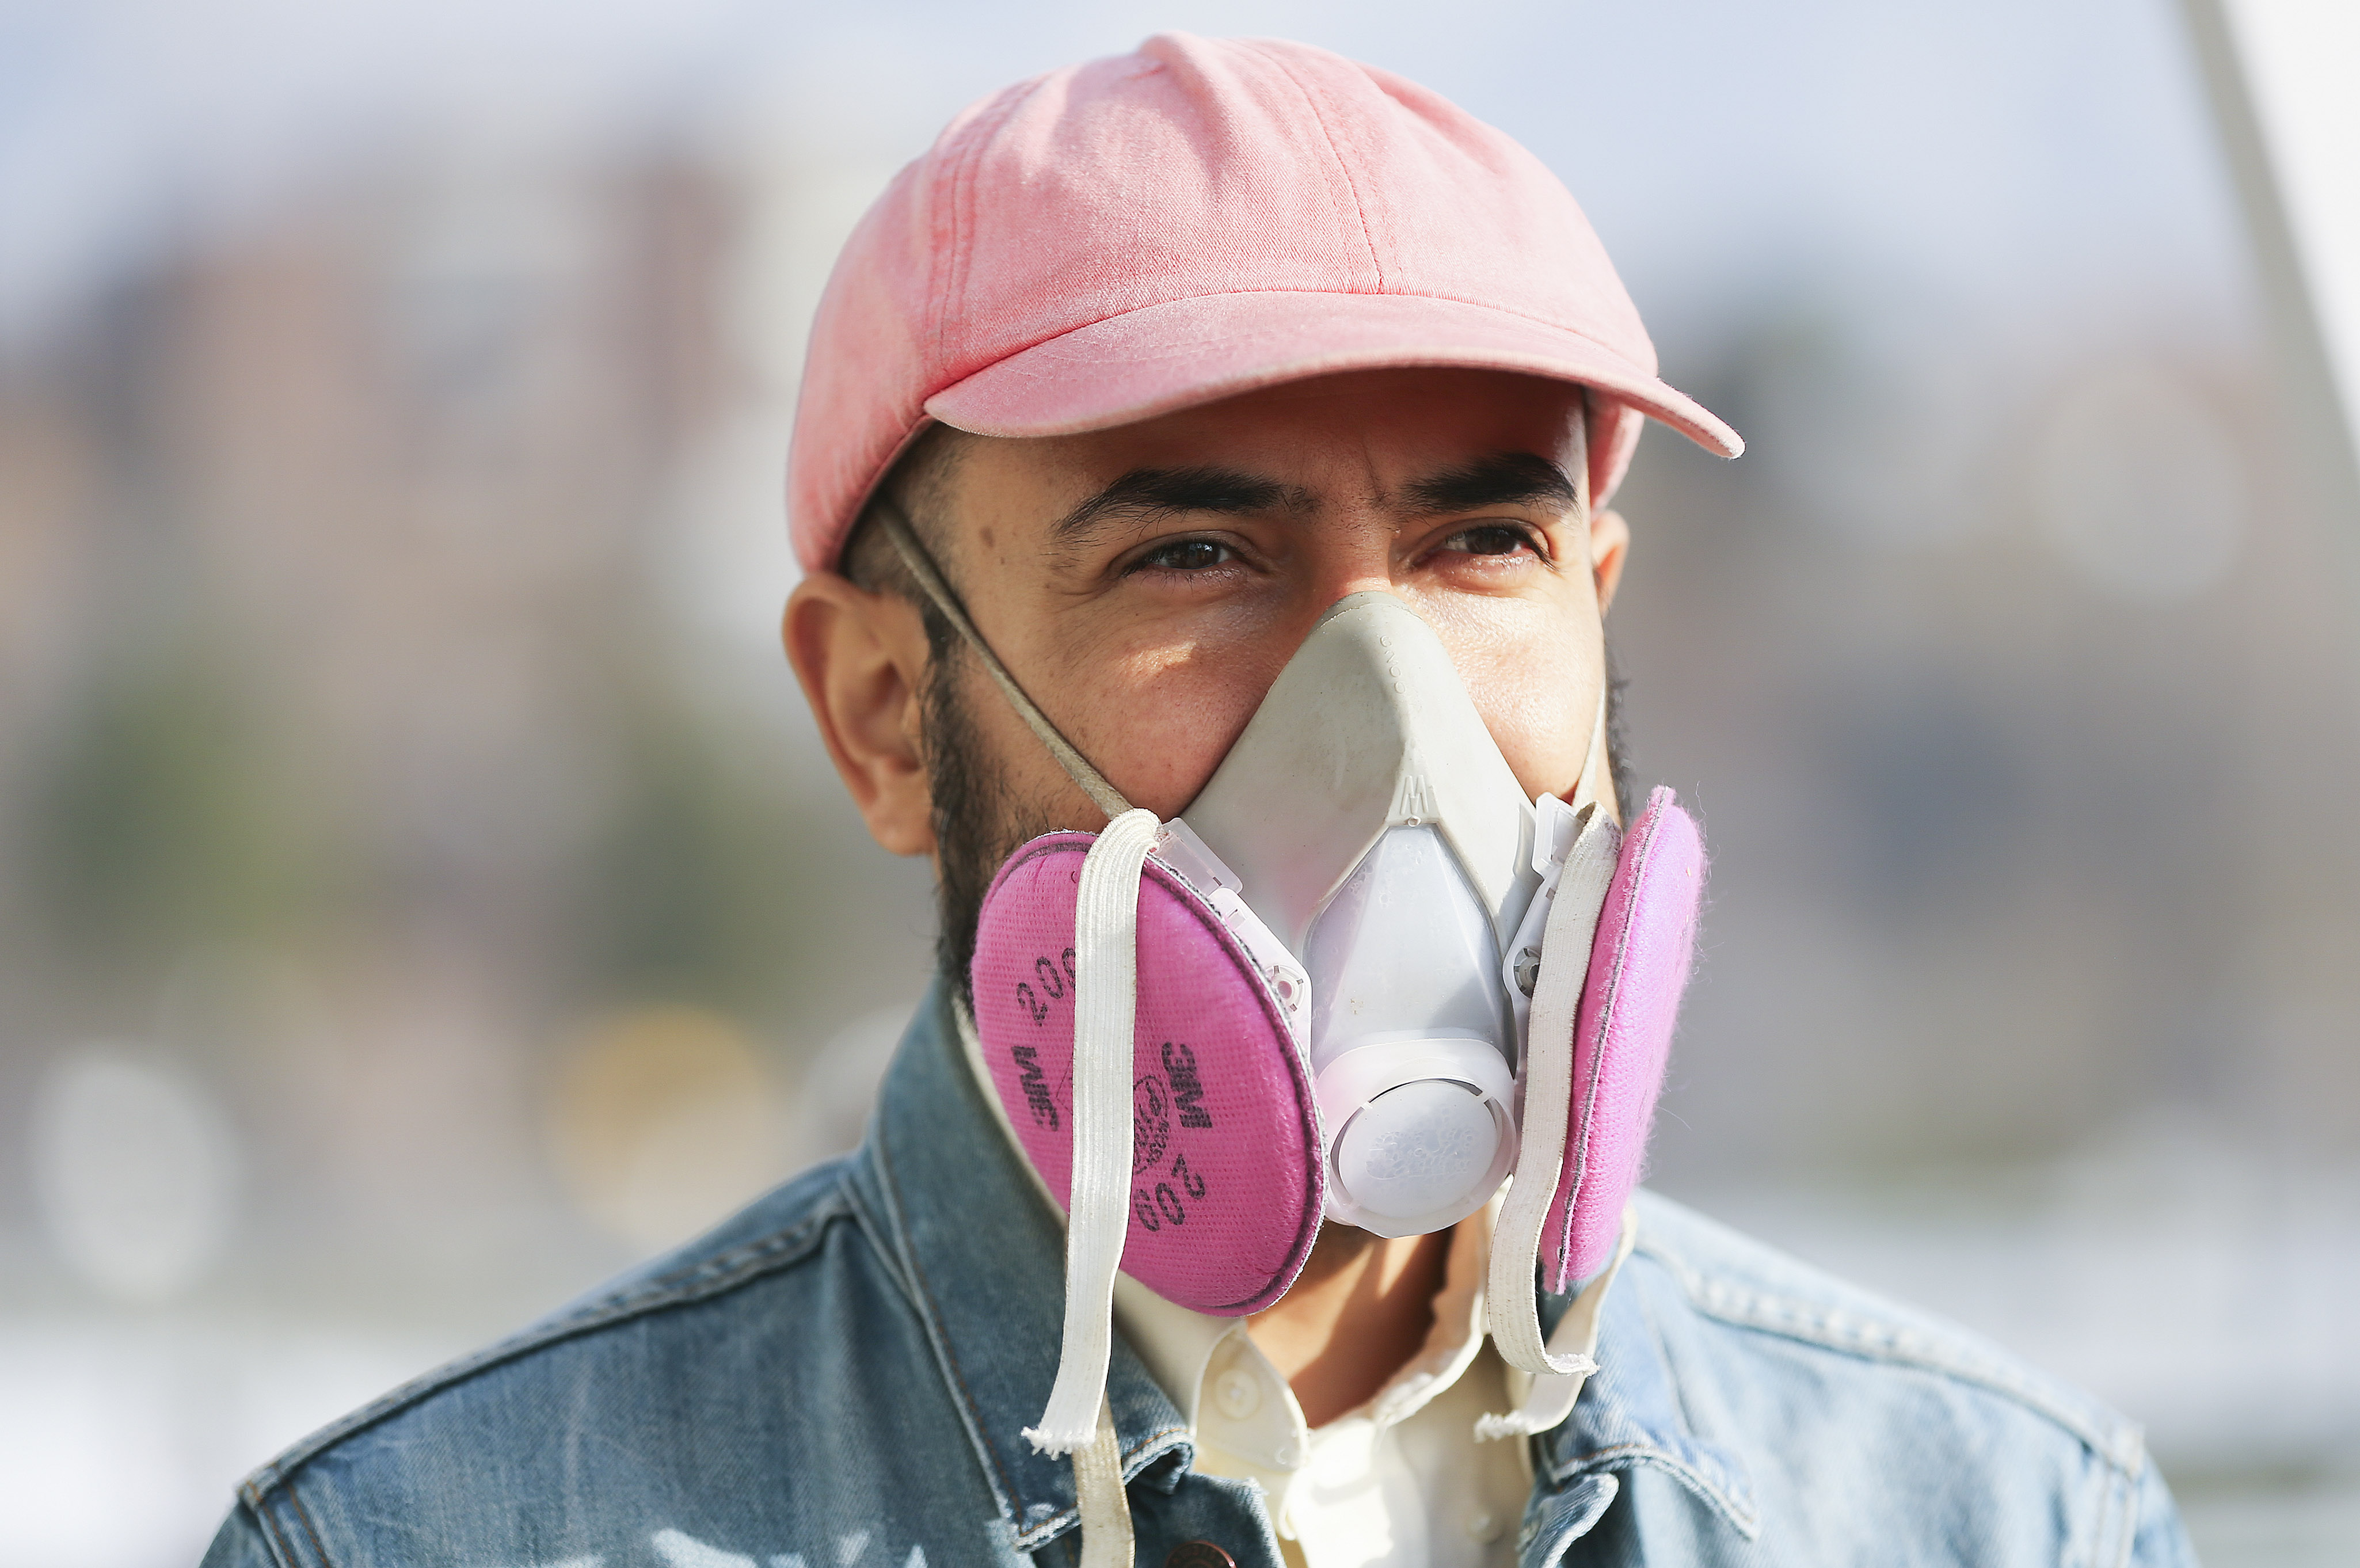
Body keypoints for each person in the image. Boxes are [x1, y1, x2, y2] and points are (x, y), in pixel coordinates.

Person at [203, 33, 2196, 1568]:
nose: (1389, 701)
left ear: (1596, 603)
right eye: (1192, 559)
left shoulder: (1991, 1514)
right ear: (886, 713)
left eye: (1481, 541)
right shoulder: (438, 1534)